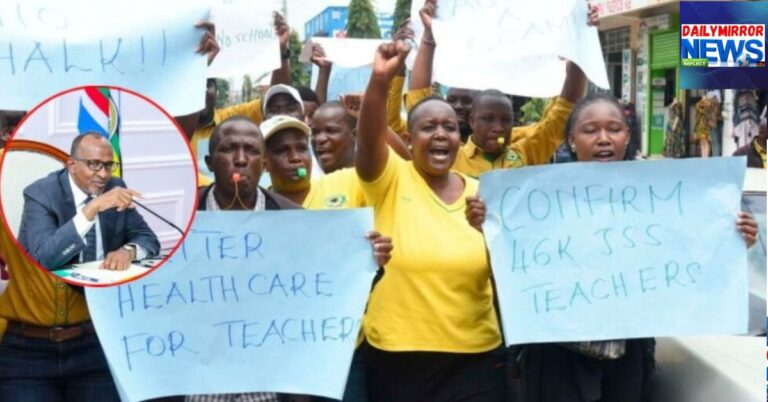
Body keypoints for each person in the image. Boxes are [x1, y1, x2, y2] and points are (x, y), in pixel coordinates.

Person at [465, 94, 760, 402]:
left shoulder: (659, 198)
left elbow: (691, 263)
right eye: (590, 130)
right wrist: (488, 226)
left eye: (614, 129)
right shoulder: (535, 201)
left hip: (626, 357)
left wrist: (732, 242)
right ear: (571, 139)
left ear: (627, 136)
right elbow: (510, 267)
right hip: (557, 358)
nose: (603, 139)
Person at [355, 39, 505, 401]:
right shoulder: (390, 179)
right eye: (428, 127)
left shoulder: (485, 194)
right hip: (398, 359)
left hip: (476, 359)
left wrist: (489, 232)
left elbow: (511, 272)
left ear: (459, 138)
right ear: (409, 139)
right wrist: (379, 81)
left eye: (450, 127)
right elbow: (370, 138)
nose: (440, 134)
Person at [399, 0, 595, 177]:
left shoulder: (525, 152)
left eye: (506, 120)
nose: (498, 128)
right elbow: (420, 105)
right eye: (488, 118)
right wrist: (429, 37)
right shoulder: (452, 157)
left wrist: (580, 43)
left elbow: (563, 112)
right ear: (472, 121)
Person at [18, 133, 160, 271]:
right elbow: (43, 260)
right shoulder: (41, 194)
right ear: (72, 164)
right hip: (52, 283)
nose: (103, 174)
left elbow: (148, 238)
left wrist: (128, 251)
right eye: (94, 164)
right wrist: (90, 209)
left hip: (104, 279)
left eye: (108, 165)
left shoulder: (114, 187)